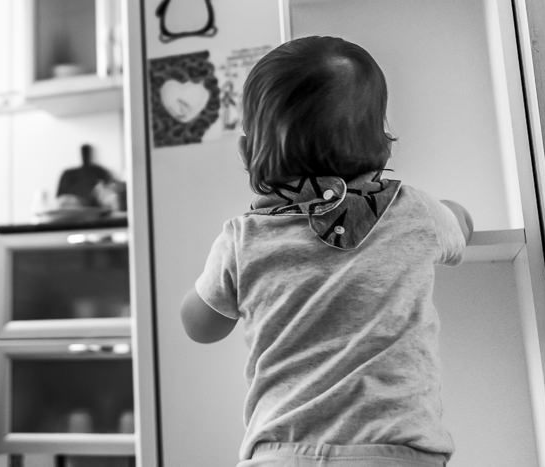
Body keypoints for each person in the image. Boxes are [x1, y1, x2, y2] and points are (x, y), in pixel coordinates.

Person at [180, 36, 473, 467]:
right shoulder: (415, 212)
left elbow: (198, 325)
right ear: (385, 144)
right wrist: (454, 212)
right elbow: (460, 227)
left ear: (246, 151)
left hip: (280, 455)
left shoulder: (244, 239)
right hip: (394, 452)